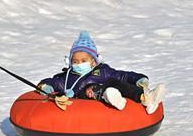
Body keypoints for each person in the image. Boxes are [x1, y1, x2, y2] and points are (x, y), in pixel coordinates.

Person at [37, 31, 166, 113]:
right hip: (82, 104)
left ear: (93, 61)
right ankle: (109, 95)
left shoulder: (102, 71)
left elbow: (122, 75)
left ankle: (146, 98)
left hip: (102, 99)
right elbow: (53, 81)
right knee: (91, 88)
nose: (79, 64)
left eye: (83, 60)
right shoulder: (67, 77)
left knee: (114, 81)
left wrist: (138, 78)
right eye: (75, 61)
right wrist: (45, 86)